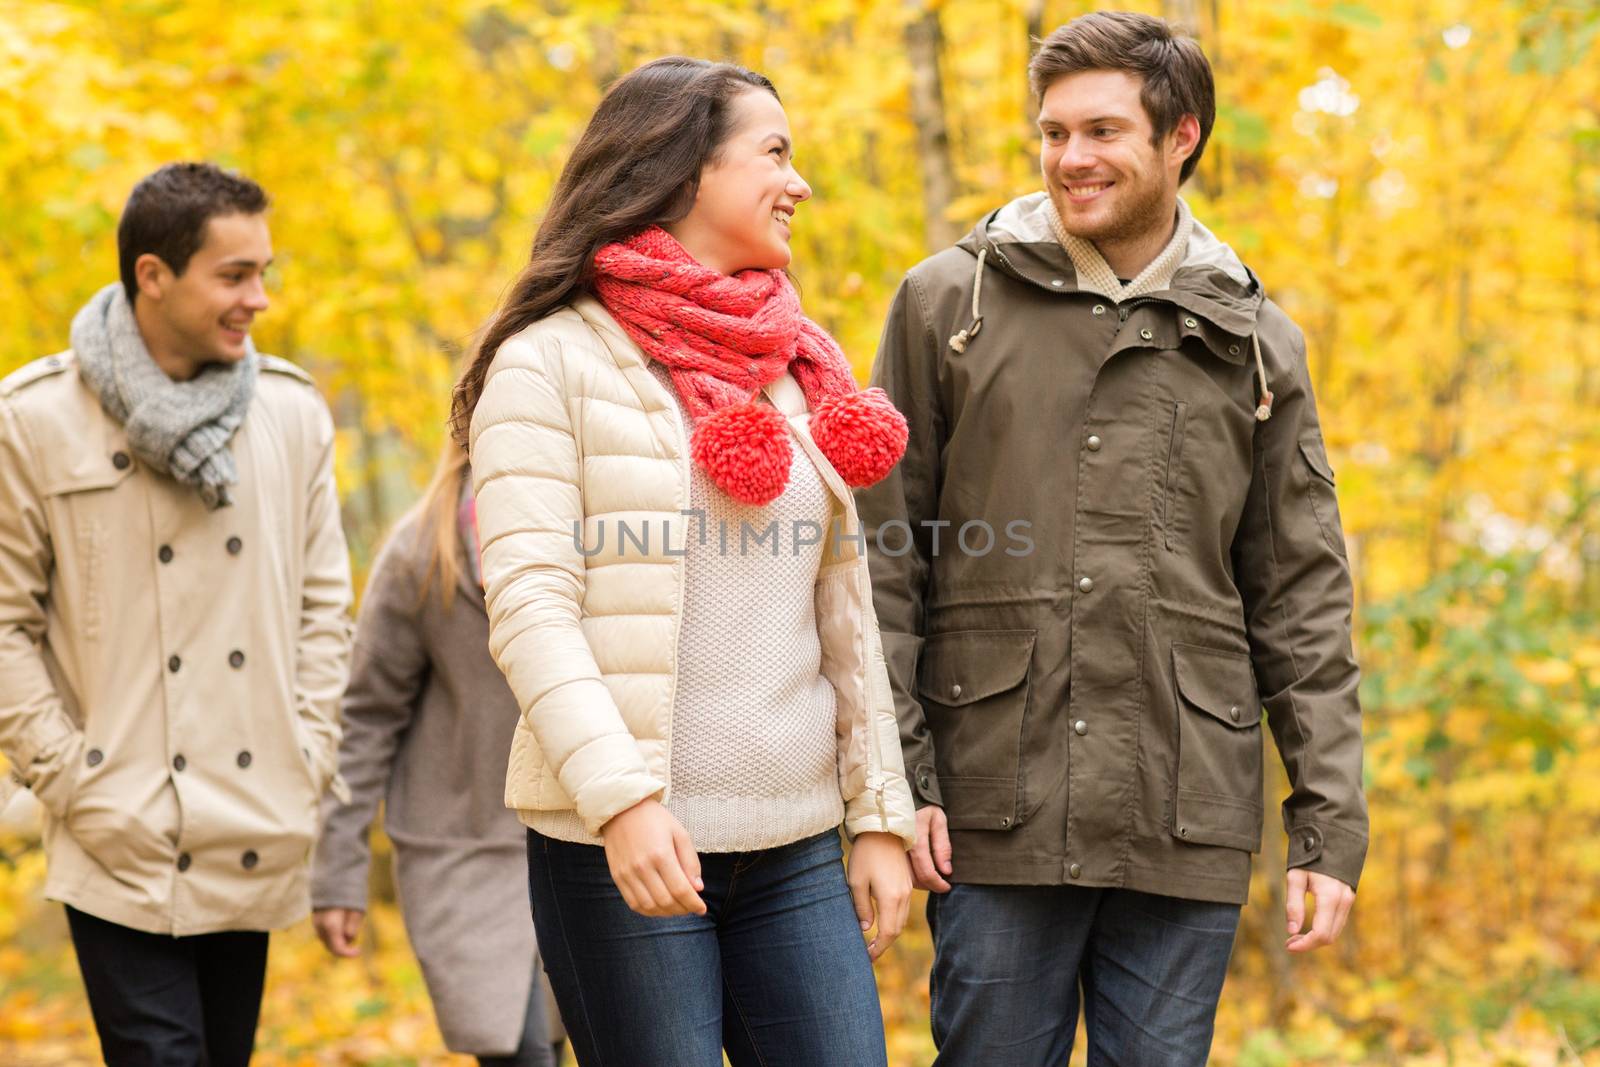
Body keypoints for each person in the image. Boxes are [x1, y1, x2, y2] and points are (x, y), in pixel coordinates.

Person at [856, 12, 1368, 1065]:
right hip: (994, 800)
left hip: (1184, 801)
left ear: (1180, 136)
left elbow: (1300, 593)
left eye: (1100, 132)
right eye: (1051, 133)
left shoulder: (1255, 340)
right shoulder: (948, 301)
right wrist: (897, 783)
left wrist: (1328, 826)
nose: (1069, 159)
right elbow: (880, 559)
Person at [450, 56, 917, 1067]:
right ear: (686, 169)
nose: (800, 183)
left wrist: (879, 809)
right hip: (623, 846)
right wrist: (619, 800)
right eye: (775, 153)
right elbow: (529, 603)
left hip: (796, 847)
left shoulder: (798, 364)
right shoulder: (549, 360)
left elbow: (841, 607)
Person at [0, 161, 353, 1065]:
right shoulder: (34, 419)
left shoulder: (291, 413)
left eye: (264, 272)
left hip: (254, 812)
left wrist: (307, 749)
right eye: (234, 276)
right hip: (117, 825)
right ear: (153, 276)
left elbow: (323, 604)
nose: (259, 299)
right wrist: (70, 774)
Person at [310, 436, 558, 1067]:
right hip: (461, 852)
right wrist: (338, 872)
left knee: (555, 1043)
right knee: (518, 1049)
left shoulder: (579, 531)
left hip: (572, 843)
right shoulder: (420, 553)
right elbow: (365, 719)